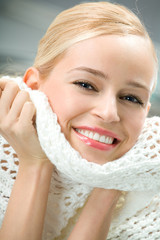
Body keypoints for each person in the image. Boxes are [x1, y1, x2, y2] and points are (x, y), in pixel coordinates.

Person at [0, 1, 159, 240]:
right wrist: (34, 163)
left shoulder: (146, 185)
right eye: (86, 85)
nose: (109, 113)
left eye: (130, 97)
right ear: (33, 85)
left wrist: (111, 183)